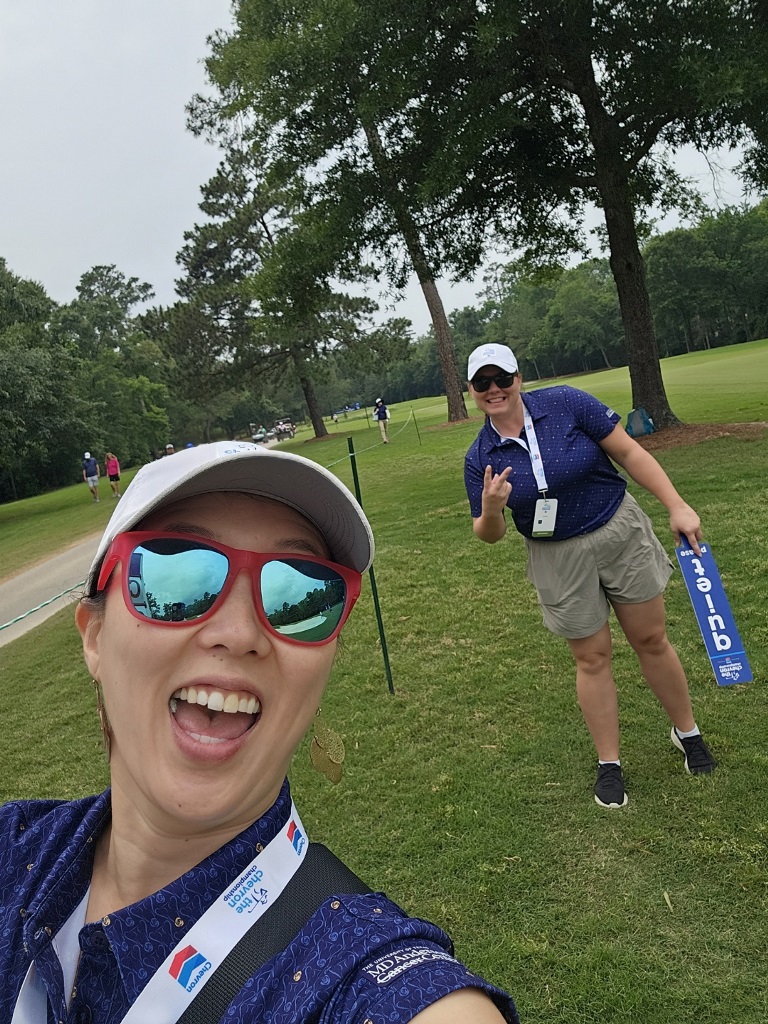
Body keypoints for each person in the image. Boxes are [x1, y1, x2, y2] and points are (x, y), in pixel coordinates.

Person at [1, 441, 518, 1022]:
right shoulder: (13, 850)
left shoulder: (358, 977)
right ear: (94, 636)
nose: (240, 631)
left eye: (300, 595)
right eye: (177, 572)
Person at [464, 343, 717, 810]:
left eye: (503, 379)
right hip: (557, 556)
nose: (495, 389)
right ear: (472, 391)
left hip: (617, 529)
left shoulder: (566, 402)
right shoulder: (480, 454)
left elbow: (630, 453)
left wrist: (677, 505)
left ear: (519, 378)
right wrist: (492, 509)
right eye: (483, 383)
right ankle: (610, 765)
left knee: (652, 639)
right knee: (592, 658)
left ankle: (689, 733)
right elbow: (489, 534)